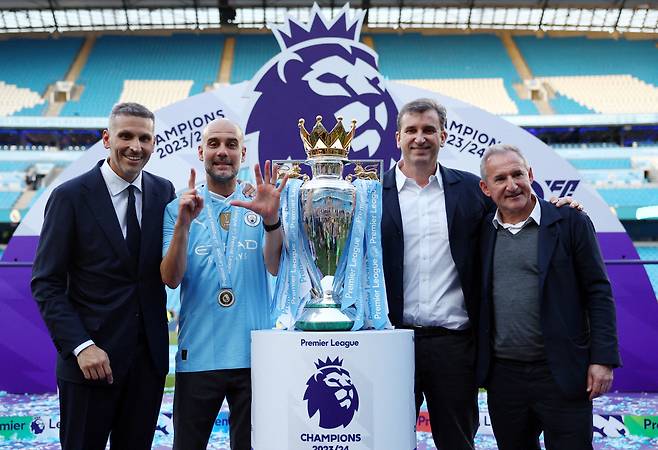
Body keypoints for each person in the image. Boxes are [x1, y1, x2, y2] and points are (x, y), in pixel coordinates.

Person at [31, 102, 176, 450]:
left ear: (154, 142)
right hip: (89, 363)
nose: (135, 147)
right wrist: (81, 346)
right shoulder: (69, 197)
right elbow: (46, 282)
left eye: (145, 138)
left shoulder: (164, 192)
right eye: (126, 136)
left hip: (148, 364)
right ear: (106, 139)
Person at [476, 144, 621, 450]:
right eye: (500, 179)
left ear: (530, 175)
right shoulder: (481, 232)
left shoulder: (570, 222)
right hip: (504, 379)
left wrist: (603, 360)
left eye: (517, 174)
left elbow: (598, 291)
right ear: (486, 189)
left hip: (562, 373)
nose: (512, 185)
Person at [160, 118, 286, 450]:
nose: (222, 152)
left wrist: (272, 221)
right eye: (214, 144)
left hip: (254, 357)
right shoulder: (179, 208)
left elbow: (274, 267)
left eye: (231, 145)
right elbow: (170, 278)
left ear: (242, 153)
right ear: (201, 151)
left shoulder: (259, 202)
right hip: (199, 354)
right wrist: (183, 227)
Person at [381, 98, 490, 449]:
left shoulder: (474, 191)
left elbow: (515, 216)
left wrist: (562, 209)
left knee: (457, 442)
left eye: (429, 130)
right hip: (393, 342)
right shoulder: (372, 194)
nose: (420, 138)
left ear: (443, 136)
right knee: (390, 440)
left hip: (454, 345)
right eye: (411, 130)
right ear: (397, 137)